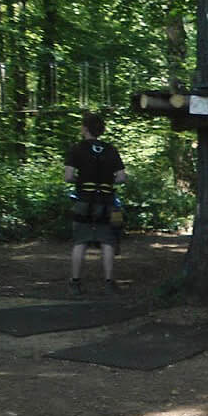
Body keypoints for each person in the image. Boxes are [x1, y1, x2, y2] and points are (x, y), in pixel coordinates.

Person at [63, 111, 126, 296]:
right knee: (107, 242)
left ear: (85, 128)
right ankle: (108, 283)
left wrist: (82, 181)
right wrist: (105, 182)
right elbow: (122, 177)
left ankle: (75, 283)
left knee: (80, 242)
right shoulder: (110, 149)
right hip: (107, 202)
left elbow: (68, 177)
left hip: (84, 200)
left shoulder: (77, 149)